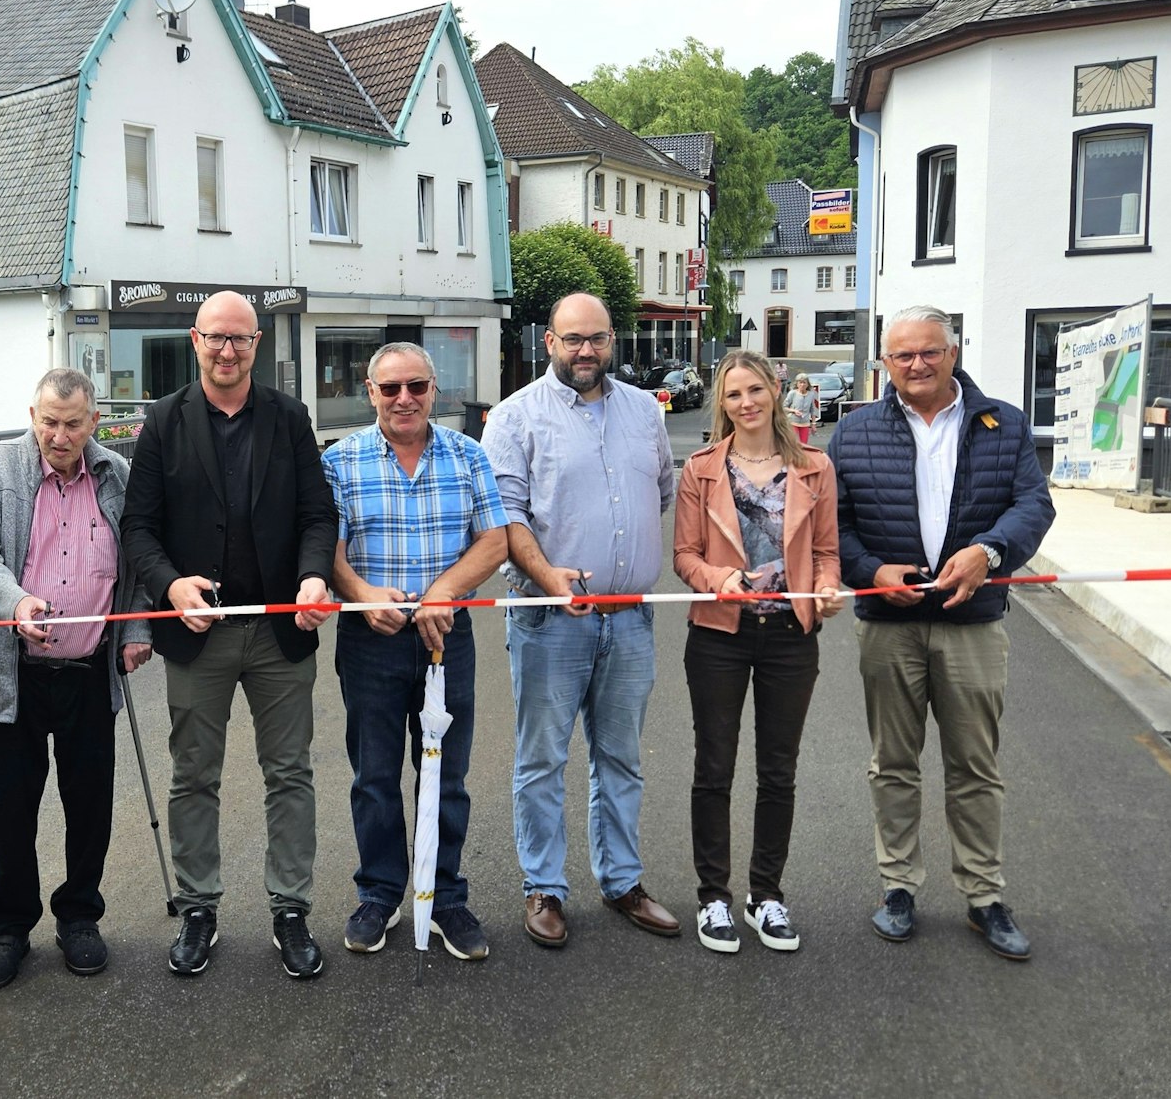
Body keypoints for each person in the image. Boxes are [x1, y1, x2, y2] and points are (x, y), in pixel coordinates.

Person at [827, 304, 1054, 961]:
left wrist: (988, 552)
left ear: (952, 353)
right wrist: (870, 571)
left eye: (929, 351)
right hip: (889, 626)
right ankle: (898, 887)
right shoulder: (854, 432)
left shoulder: (1003, 424)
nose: (917, 364)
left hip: (971, 625)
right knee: (893, 765)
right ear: (885, 363)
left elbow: (1033, 505)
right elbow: (831, 524)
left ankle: (983, 896)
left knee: (974, 767)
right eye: (902, 355)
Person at [121, 290, 338, 978]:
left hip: (280, 630)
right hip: (199, 633)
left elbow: (317, 514)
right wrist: (169, 586)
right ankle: (197, 909)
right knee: (193, 776)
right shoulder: (163, 420)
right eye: (215, 337)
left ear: (256, 345)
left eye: (240, 338)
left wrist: (313, 577)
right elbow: (138, 527)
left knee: (290, 773)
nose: (227, 350)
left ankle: (290, 910)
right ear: (195, 340)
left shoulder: (288, 416)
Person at [483, 292, 680, 949]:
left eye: (596, 338)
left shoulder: (644, 411)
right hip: (549, 620)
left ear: (611, 339)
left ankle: (622, 881)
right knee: (541, 760)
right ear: (550, 343)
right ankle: (543, 886)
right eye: (572, 339)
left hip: (628, 619)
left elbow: (659, 493)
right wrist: (547, 574)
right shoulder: (515, 417)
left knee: (620, 759)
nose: (585, 350)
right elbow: (504, 516)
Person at [0, 369, 154, 990]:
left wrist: (137, 626)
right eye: (48, 422)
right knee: (10, 807)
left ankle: (79, 916)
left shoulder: (118, 476)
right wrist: (16, 603)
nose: (59, 436)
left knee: (89, 805)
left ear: (94, 423)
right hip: (12, 673)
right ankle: (10, 925)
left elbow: (139, 557)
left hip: (89, 670)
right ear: (32, 416)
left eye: (72, 424)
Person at [322, 343, 507, 960]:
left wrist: (444, 592)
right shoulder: (339, 460)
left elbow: (494, 541)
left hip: (446, 639)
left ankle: (446, 895)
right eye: (391, 388)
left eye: (417, 387)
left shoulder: (468, 454)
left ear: (434, 390)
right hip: (369, 640)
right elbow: (328, 549)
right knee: (374, 777)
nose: (405, 399)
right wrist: (360, 594)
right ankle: (379, 894)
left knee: (446, 776)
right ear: (370, 392)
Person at [673, 351, 845, 955]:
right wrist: (717, 578)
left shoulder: (815, 468)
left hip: (791, 637)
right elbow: (685, 556)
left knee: (778, 770)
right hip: (718, 635)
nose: (745, 402)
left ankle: (765, 895)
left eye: (755, 390)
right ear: (722, 403)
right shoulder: (701, 470)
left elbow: (825, 552)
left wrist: (826, 586)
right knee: (713, 768)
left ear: (775, 391)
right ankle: (713, 898)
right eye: (733, 394)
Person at [783, 374, 821, 445]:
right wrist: (794, 411)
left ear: (807, 384)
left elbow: (813, 410)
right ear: (797, 384)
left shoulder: (811, 394)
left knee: (804, 444)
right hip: (793, 422)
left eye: (804, 382)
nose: (802, 385)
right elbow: (784, 407)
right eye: (800, 382)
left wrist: (813, 424)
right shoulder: (792, 393)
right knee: (794, 444)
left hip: (805, 423)